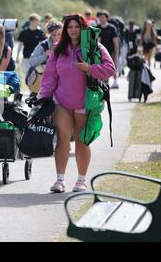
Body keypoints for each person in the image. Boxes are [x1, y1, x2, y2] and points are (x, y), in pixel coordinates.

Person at [38, 13, 115, 193]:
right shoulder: (58, 49)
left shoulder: (93, 47)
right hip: (61, 101)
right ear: (65, 29)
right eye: (69, 27)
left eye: (76, 27)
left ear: (83, 28)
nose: (73, 30)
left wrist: (89, 68)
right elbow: (50, 75)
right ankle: (59, 180)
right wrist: (43, 97)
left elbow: (110, 69)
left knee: (82, 141)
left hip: (84, 102)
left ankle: (81, 181)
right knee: (63, 139)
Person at [27, 21, 63, 94]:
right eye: (54, 35)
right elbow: (31, 62)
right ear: (49, 34)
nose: (57, 37)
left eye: (59, 34)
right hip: (45, 82)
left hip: (62, 82)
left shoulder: (67, 45)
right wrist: (45, 55)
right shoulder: (43, 45)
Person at [17, 13, 46, 80]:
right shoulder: (24, 32)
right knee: (26, 74)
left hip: (37, 57)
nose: (34, 23)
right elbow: (20, 44)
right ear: (30, 21)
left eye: (36, 21)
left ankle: (34, 90)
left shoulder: (41, 33)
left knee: (37, 74)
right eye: (33, 21)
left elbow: (44, 45)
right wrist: (17, 56)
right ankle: (30, 89)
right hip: (26, 56)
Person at [97, 10, 120, 89]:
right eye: (100, 17)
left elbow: (116, 42)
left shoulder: (112, 28)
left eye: (103, 17)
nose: (101, 18)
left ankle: (115, 81)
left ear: (106, 18)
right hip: (100, 52)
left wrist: (116, 54)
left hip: (111, 51)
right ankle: (104, 84)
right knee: (103, 68)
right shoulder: (97, 28)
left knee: (112, 67)